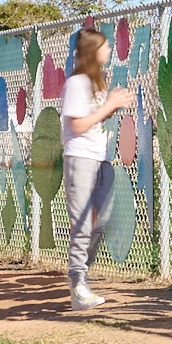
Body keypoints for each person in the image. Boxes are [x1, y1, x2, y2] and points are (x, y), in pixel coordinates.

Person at [60, 28, 133, 309]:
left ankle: (81, 278)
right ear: (93, 51)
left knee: (100, 222)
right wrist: (109, 105)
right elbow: (77, 125)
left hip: (100, 160)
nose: (110, 50)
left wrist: (112, 104)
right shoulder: (77, 83)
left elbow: (93, 119)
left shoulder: (95, 83)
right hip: (80, 159)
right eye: (105, 46)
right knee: (81, 224)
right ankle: (78, 285)